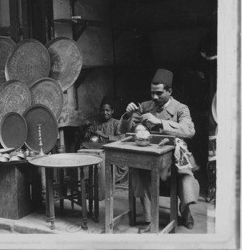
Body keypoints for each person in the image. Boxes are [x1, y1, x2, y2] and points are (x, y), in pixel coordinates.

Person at [119, 68, 199, 233]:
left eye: (159, 93)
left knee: (185, 179)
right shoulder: (145, 106)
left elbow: (189, 130)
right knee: (138, 172)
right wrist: (127, 115)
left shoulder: (180, 108)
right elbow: (123, 130)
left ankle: (185, 211)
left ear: (170, 91)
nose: (154, 97)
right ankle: (149, 219)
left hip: (173, 163)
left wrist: (161, 123)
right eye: (152, 93)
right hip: (150, 159)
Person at [84, 96, 127, 186]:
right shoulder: (96, 122)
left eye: (107, 110)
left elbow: (121, 138)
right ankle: (93, 183)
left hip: (112, 153)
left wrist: (104, 136)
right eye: (103, 110)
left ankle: (105, 183)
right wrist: (88, 130)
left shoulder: (117, 123)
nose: (105, 113)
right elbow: (88, 138)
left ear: (112, 111)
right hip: (99, 152)